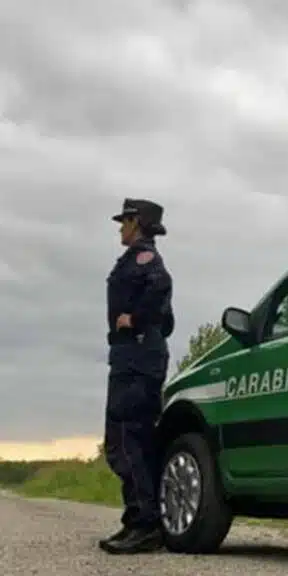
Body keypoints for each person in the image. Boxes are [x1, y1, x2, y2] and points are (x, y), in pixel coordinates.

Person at [99, 198, 175, 555]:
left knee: (131, 437)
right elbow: (169, 318)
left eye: (125, 221)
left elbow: (160, 287)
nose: (120, 227)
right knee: (120, 439)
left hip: (138, 357)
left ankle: (147, 524)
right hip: (132, 356)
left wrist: (139, 320)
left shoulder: (146, 258)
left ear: (138, 223)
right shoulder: (133, 259)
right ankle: (135, 519)